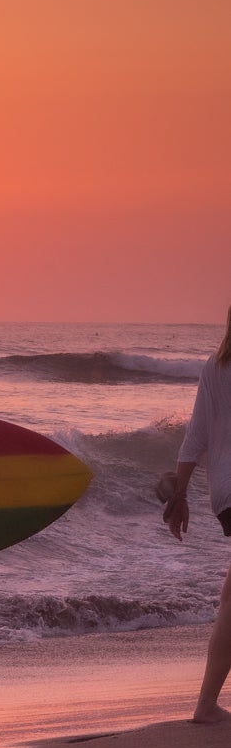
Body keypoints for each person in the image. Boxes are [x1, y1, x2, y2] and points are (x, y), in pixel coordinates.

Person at [159, 308, 231, 724]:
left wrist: (180, 493)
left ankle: (208, 702)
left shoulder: (216, 365)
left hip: (225, 492)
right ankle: (205, 705)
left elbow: (195, 436)